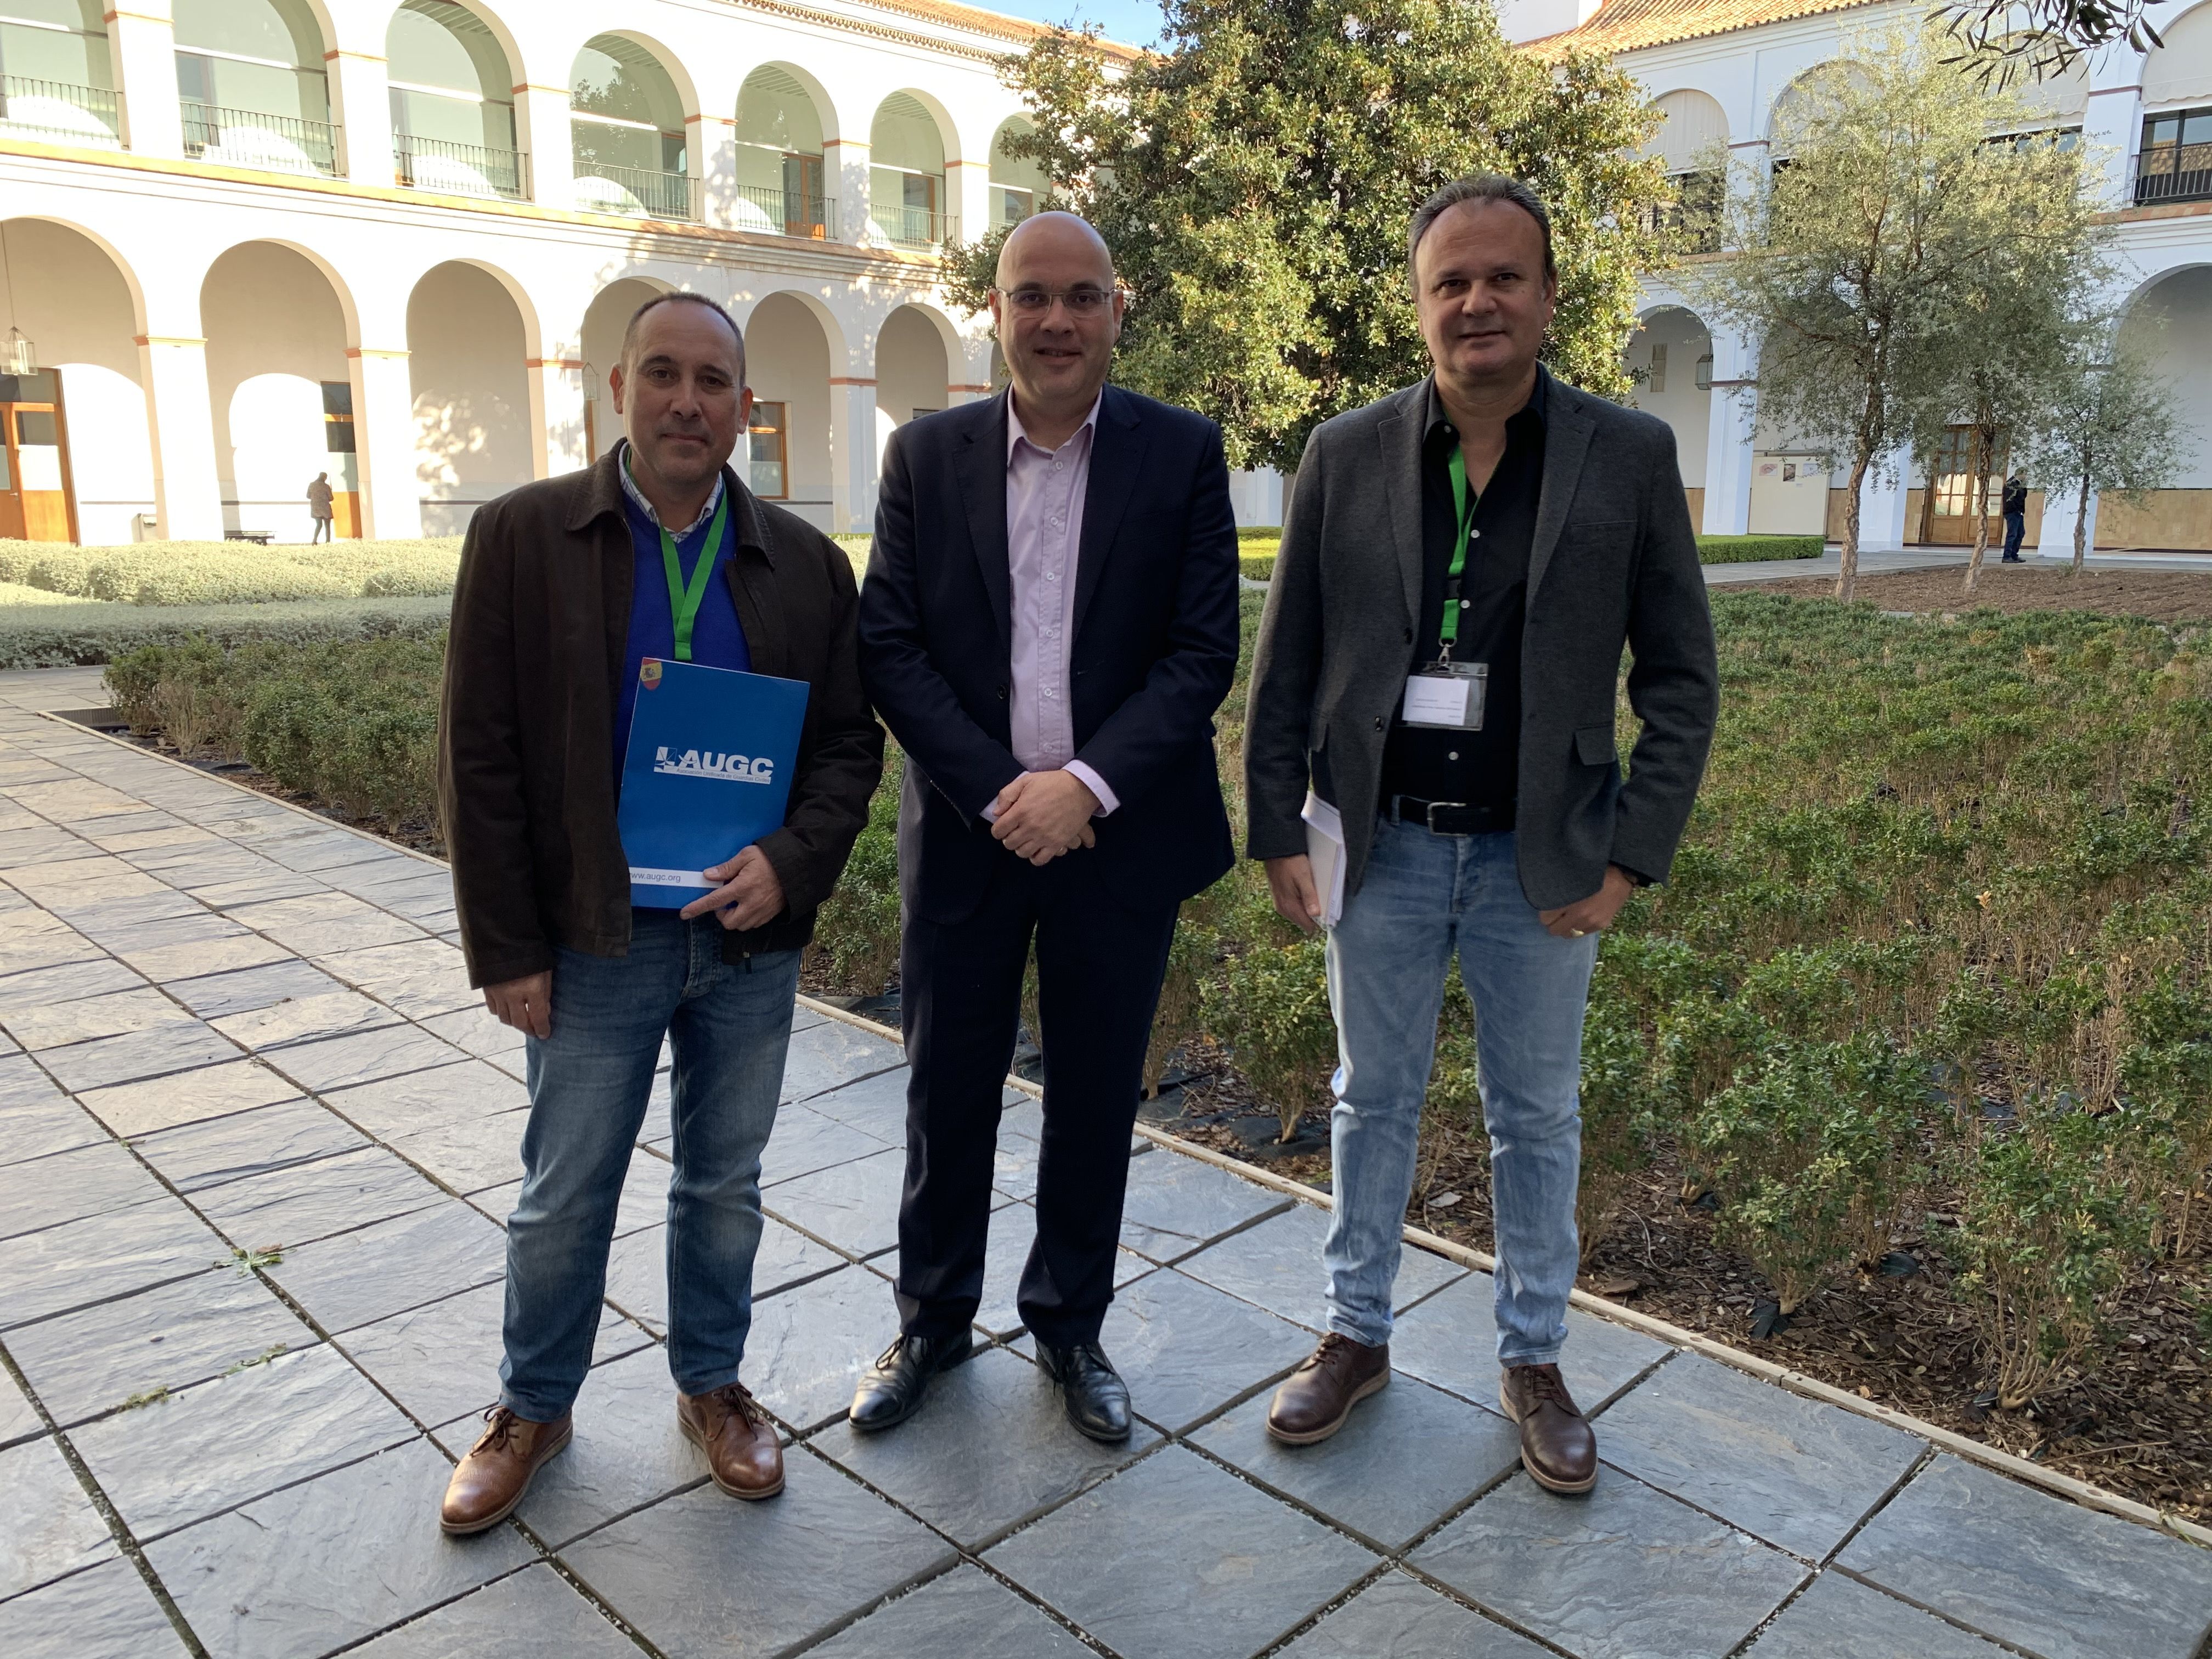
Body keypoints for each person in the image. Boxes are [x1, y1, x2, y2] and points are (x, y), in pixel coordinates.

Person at [1243, 176, 1718, 1492]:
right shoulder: (1344, 453)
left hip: (1541, 860)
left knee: (1536, 1118)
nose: (1477, 301)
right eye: (1450, 281)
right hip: (1382, 847)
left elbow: (1683, 677)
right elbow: (1285, 665)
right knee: (1369, 1102)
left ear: (1550, 297)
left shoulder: (1623, 457)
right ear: (1421, 304)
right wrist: (1277, 823)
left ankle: (1534, 1357)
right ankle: (1357, 1336)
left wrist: (1629, 853)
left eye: (1503, 277)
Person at [434, 292, 883, 1532]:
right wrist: (507, 948)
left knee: (724, 1184)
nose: (690, 401)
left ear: (745, 406)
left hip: (744, 942)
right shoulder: (527, 537)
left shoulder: (800, 562)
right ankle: (533, 1405)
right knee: (564, 1190)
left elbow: (848, 748)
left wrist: (790, 862)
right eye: (665, 376)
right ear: (618, 389)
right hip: (593, 942)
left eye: (714, 382)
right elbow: (479, 752)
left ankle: (713, 1388)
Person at [852, 212, 1239, 1441]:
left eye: (1082, 297)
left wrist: (1084, 785)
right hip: (970, 837)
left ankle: (1071, 1329)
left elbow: (1199, 651)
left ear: (1119, 310)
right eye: (1033, 296)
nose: (1057, 320)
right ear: (997, 310)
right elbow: (892, 646)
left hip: (1115, 840)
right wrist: (998, 789)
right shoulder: (925, 456)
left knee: (1092, 1096)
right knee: (945, 1091)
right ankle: (931, 1321)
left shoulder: (1182, 454)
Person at [2000, 474, 2028, 562]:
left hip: (2018, 512)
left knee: (2020, 533)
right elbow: (2009, 500)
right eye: (2025, 474)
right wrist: (2015, 510)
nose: (2026, 476)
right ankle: (2007, 556)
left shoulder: (2019, 484)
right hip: (2012, 513)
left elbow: (2023, 497)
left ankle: (2014, 555)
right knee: (2012, 534)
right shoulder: (2010, 484)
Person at [307, 471, 334, 543]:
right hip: (325, 508)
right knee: (327, 526)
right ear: (325, 478)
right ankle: (328, 542)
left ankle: (315, 540)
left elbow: (308, 496)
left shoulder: (311, 485)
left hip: (315, 508)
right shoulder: (326, 486)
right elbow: (331, 498)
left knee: (319, 525)